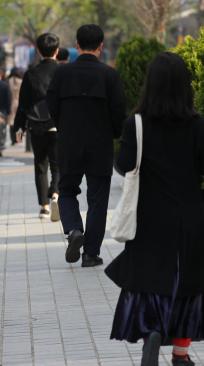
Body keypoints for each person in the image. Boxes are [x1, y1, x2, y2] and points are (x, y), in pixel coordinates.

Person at [105, 51, 204, 366]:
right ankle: (181, 355)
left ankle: (151, 332)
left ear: (150, 85)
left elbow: (124, 165)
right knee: (189, 282)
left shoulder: (135, 125)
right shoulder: (201, 127)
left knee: (148, 281)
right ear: (186, 86)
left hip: (147, 219)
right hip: (188, 218)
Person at [46, 24, 126, 267]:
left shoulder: (62, 73)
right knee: (98, 199)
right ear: (101, 47)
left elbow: (52, 107)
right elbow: (118, 112)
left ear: (77, 46)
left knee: (67, 190)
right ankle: (91, 253)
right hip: (100, 145)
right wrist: (112, 134)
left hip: (69, 143)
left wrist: (65, 127)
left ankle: (73, 230)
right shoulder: (109, 75)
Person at [14, 33, 61, 221]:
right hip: (57, 126)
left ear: (39, 52)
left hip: (36, 127)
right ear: (57, 51)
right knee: (57, 165)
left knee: (40, 166)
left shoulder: (30, 74)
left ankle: (44, 207)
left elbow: (23, 104)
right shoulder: (62, 72)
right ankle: (56, 193)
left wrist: (19, 128)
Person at [8, 67, 23, 145]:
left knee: (11, 121)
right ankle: (19, 137)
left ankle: (13, 139)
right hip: (19, 102)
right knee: (20, 120)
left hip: (11, 102)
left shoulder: (9, 81)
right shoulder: (21, 81)